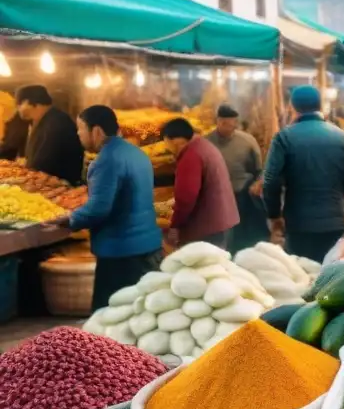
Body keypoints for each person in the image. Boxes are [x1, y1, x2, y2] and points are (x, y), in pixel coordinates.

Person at [48, 106, 162, 310]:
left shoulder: (106, 160)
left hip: (121, 253)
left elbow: (98, 209)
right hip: (149, 246)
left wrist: (70, 219)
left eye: (80, 129)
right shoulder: (137, 153)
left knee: (109, 318)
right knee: (139, 312)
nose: (78, 134)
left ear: (97, 131)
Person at [262, 86, 344, 262]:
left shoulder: (284, 137)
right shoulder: (342, 136)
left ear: (293, 106)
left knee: (303, 274)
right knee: (331, 272)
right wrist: (336, 193)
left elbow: (270, 181)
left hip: (298, 221)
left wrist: (274, 214)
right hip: (334, 219)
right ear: (320, 105)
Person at [161, 118, 239, 249]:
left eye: (166, 143)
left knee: (204, 267)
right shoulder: (203, 145)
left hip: (208, 228)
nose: (167, 148)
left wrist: (175, 226)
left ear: (174, 141)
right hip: (221, 222)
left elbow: (186, 198)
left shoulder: (190, 156)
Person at [206, 104, 267, 252]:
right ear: (218, 121)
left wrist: (258, 183)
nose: (229, 128)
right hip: (215, 198)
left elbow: (260, 170)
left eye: (232, 125)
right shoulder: (206, 143)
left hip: (241, 197)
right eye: (225, 124)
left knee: (242, 238)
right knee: (219, 240)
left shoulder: (247, 141)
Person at [16, 85, 83, 183]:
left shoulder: (56, 122)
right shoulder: (44, 119)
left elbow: (43, 163)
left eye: (19, 105)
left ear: (27, 102)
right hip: (44, 183)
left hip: (59, 188)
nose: (18, 109)